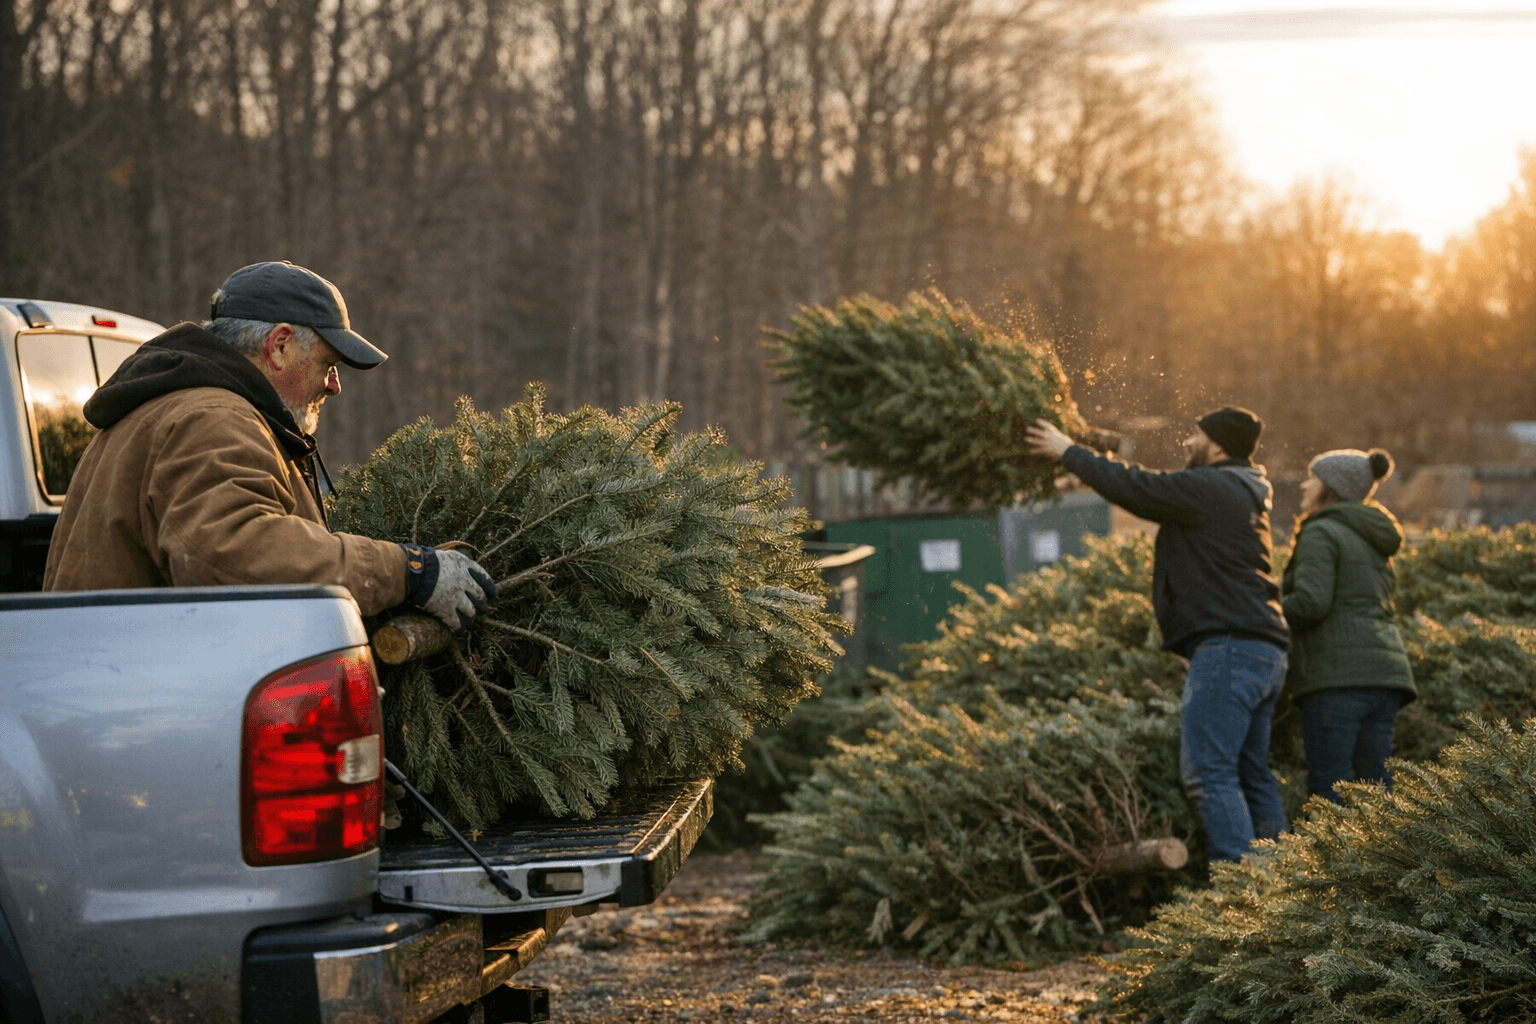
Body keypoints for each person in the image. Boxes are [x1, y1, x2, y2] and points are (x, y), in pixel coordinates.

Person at [43, 260, 494, 634]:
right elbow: (234, 551)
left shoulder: (184, 407)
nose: (334, 385)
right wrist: (404, 572)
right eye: (329, 364)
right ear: (278, 346)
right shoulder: (213, 418)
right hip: (142, 702)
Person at [1026, 407, 1290, 862]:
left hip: (1229, 647)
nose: (1188, 443)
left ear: (1219, 446)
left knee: (1209, 772)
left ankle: (1245, 894)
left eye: (1197, 435)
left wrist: (1068, 451)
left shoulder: (1214, 487)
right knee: (1252, 774)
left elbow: (1140, 488)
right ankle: (1283, 885)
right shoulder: (1243, 493)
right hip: (1262, 650)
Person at [1281, 448, 1415, 804]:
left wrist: (1265, 611)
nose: (1305, 484)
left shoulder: (1321, 531)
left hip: (1338, 678)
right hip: (1386, 676)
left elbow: (1311, 602)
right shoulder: (1374, 537)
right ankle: (1387, 859)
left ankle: (1329, 861)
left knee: (1330, 790)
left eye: (1313, 477)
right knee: (1376, 787)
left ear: (1331, 488)